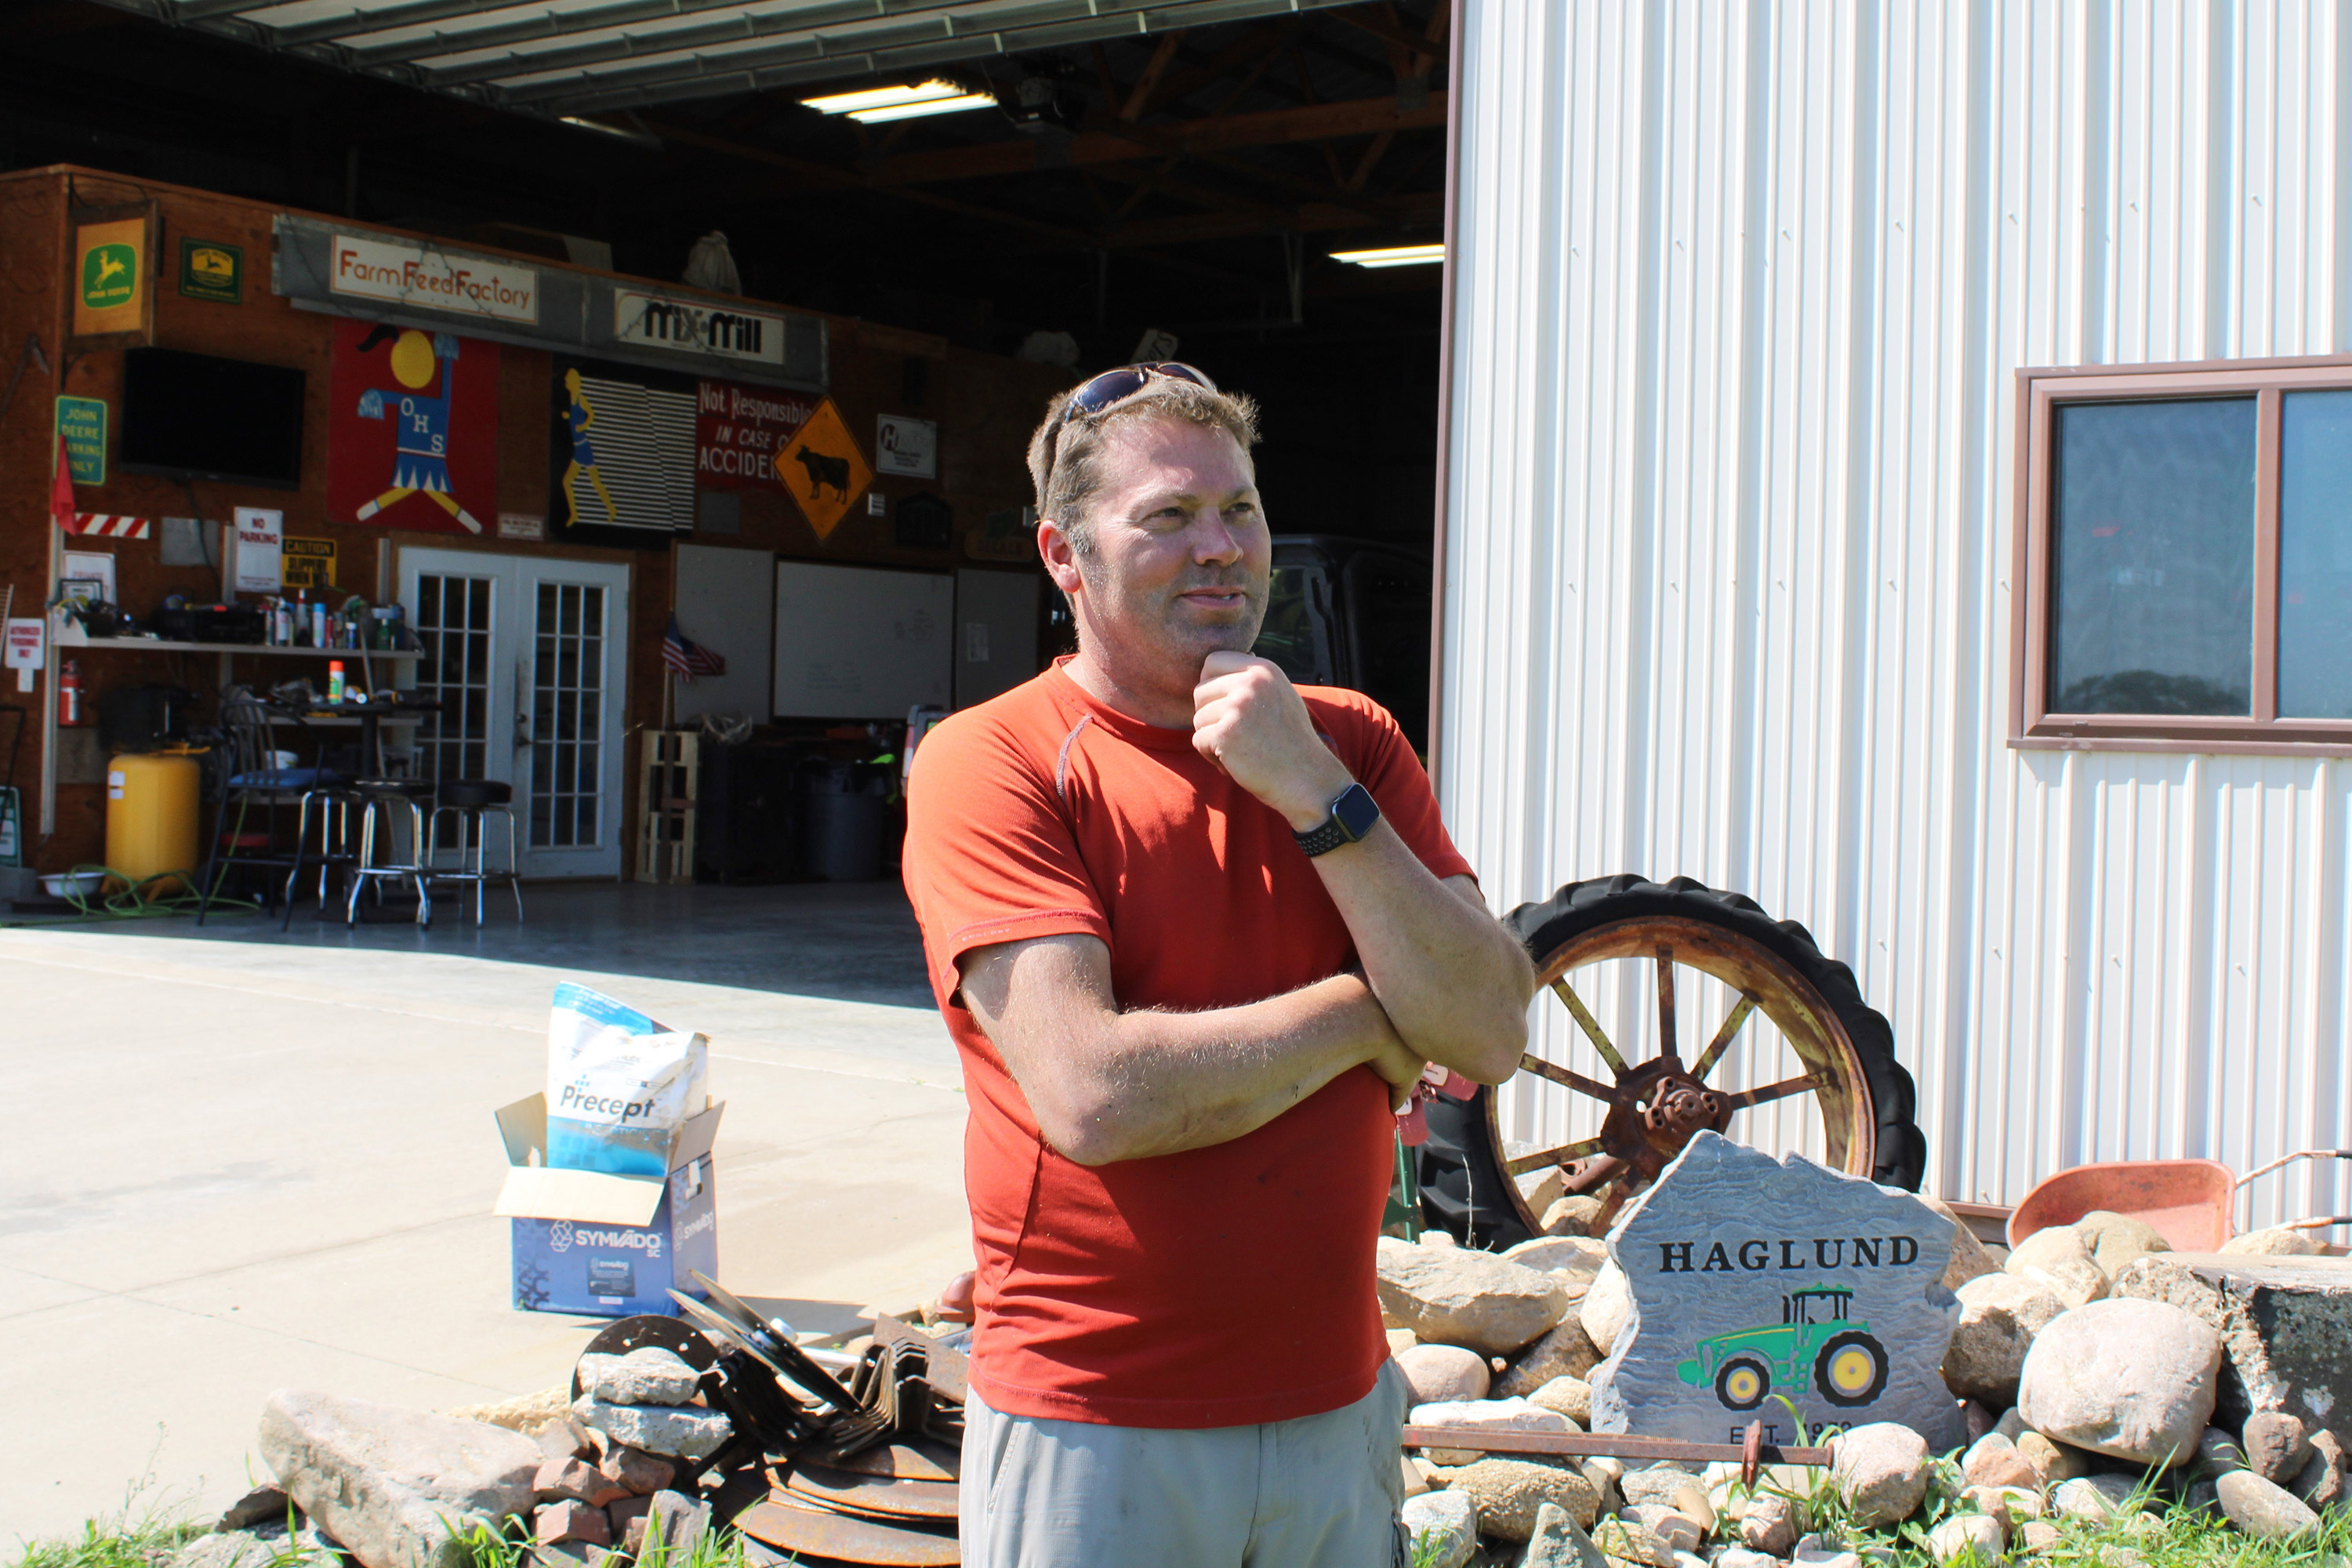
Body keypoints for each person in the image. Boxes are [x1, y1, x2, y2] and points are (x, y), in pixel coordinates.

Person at [901, 362, 1537, 1566]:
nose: (1221, 547)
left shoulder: (1348, 743)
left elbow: (1491, 1029)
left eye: (1240, 508)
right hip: (1098, 1420)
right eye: (1169, 516)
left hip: (1338, 1404)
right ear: (1064, 557)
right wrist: (1365, 1017)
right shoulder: (996, 762)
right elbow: (1095, 1094)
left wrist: (1315, 793)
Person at [352, 328, 485, 533]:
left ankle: (375, 506)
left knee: (421, 489)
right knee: (415, 489)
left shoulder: (431, 404)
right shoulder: (416, 402)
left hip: (431, 458)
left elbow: (443, 388)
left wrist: (446, 359)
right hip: (413, 457)